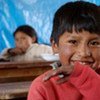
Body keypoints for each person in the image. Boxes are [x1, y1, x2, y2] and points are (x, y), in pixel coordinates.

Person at [27, 1, 100, 100]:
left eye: (94, 43)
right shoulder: (43, 87)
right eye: (73, 42)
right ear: (55, 45)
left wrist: (85, 78)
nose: (84, 53)